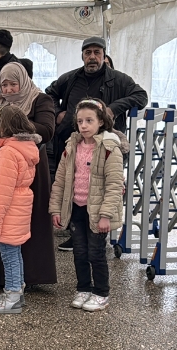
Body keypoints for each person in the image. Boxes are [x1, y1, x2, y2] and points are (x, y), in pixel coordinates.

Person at [45, 36, 147, 251]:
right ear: (82, 55)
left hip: (104, 146)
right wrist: (57, 113)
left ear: (103, 54)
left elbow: (141, 95)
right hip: (73, 143)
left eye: (96, 52)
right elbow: (49, 93)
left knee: (100, 187)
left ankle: (99, 232)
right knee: (75, 186)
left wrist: (113, 108)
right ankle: (76, 234)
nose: (92, 57)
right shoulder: (71, 78)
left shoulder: (118, 79)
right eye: (88, 52)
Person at [0, 62, 57, 287]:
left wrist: (13, 121)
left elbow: (47, 130)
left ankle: (26, 276)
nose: (9, 90)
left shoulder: (40, 99)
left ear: (24, 81)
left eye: (13, 84)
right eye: (5, 85)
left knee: (21, 221)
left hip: (29, 171)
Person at [49, 98, 127, 312]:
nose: (83, 125)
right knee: (80, 252)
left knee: (96, 253)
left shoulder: (110, 149)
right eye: (80, 121)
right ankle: (83, 288)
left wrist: (105, 215)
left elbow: (113, 185)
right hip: (76, 208)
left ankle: (101, 293)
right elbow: (60, 180)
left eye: (89, 121)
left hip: (97, 212)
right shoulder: (71, 146)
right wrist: (56, 208)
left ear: (101, 122)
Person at [0, 106, 42, 314]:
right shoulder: (26, 148)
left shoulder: (8, 151)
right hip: (20, 206)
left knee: (8, 253)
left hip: (9, 210)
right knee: (15, 252)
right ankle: (17, 289)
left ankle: (13, 294)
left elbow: (2, 190)